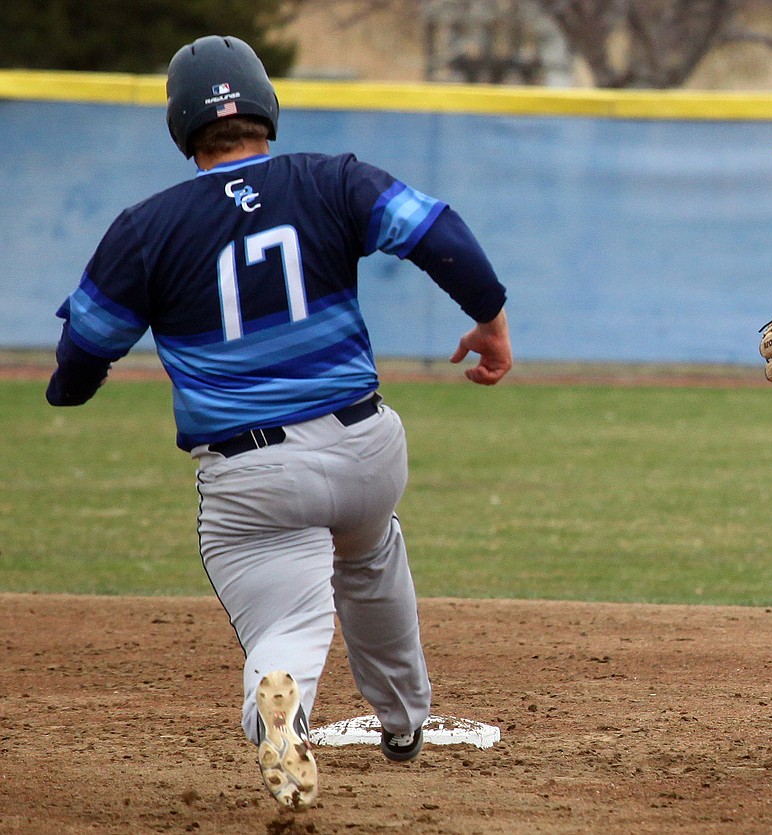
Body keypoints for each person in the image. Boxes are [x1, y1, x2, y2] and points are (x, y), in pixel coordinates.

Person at [46, 35, 512, 810]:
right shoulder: (332, 180)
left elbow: (84, 353)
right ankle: (404, 720)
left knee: (289, 617)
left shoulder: (146, 227)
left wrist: (71, 385)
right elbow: (438, 234)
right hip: (364, 444)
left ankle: (283, 707)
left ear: (181, 125)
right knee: (370, 553)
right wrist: (490, 320)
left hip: (253, 469)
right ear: (267, 104)